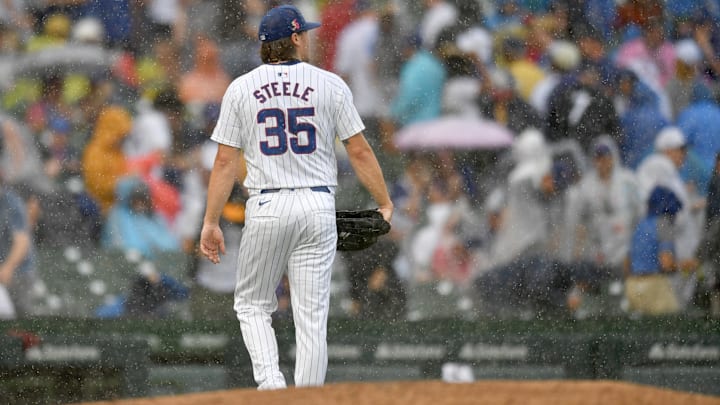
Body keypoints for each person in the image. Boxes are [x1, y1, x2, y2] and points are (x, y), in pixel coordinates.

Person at [199, 5, 393, 390]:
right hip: (318, 204)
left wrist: (210, 221)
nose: (308, 37)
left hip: (268, 203)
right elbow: (359, 151)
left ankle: (272, 388)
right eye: (304, 32)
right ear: (294, 39)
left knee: (253, 305)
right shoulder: (330, 84)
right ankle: (306, 398)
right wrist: (384, 201)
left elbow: (224, 161)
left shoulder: (241, 88)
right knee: (311, 318)